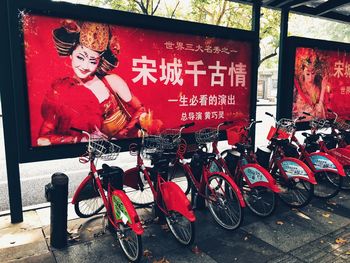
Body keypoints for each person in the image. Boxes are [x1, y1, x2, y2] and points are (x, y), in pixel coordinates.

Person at [37, 20, 145, 146]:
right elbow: (42, 139)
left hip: (124, 150)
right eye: (80, 57)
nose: (85, 66)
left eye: (92, 61)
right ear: (71, 54)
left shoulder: (111, 81)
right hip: (89, 154)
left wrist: (122, 134)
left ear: (99, 61)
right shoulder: (60, 91)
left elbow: (141, 109)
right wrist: (80, 140)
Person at [293, 48, 330, 121]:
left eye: (313, 74)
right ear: (302, 72)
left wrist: (322, 89)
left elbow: (320, 111)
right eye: (307, 74)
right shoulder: (299, 88)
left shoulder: (317, 87)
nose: (310, 78)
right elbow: (313, 114)